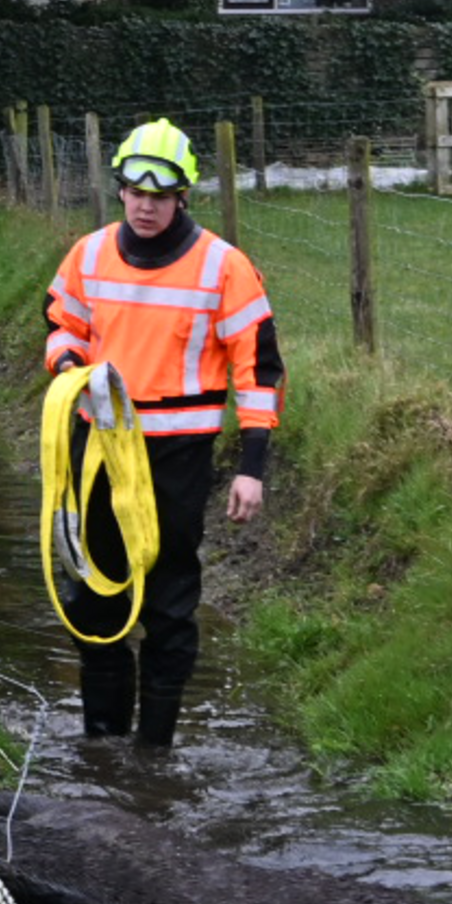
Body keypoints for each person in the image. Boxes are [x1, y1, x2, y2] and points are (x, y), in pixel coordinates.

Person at [41, 117, 282, 746]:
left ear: (183, 197)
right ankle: (102, 745)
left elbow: (259, 371)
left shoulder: (224, 267)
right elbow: (62, 323)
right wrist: (67, 362)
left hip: (178, 457)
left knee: (168, 603)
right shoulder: (89, 253)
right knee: (93, 594)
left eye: (160, 196)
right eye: (135, 193)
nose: (145, 207)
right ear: (120, 190)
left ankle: (154, 752)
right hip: (98, 448)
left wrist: (251, 466)